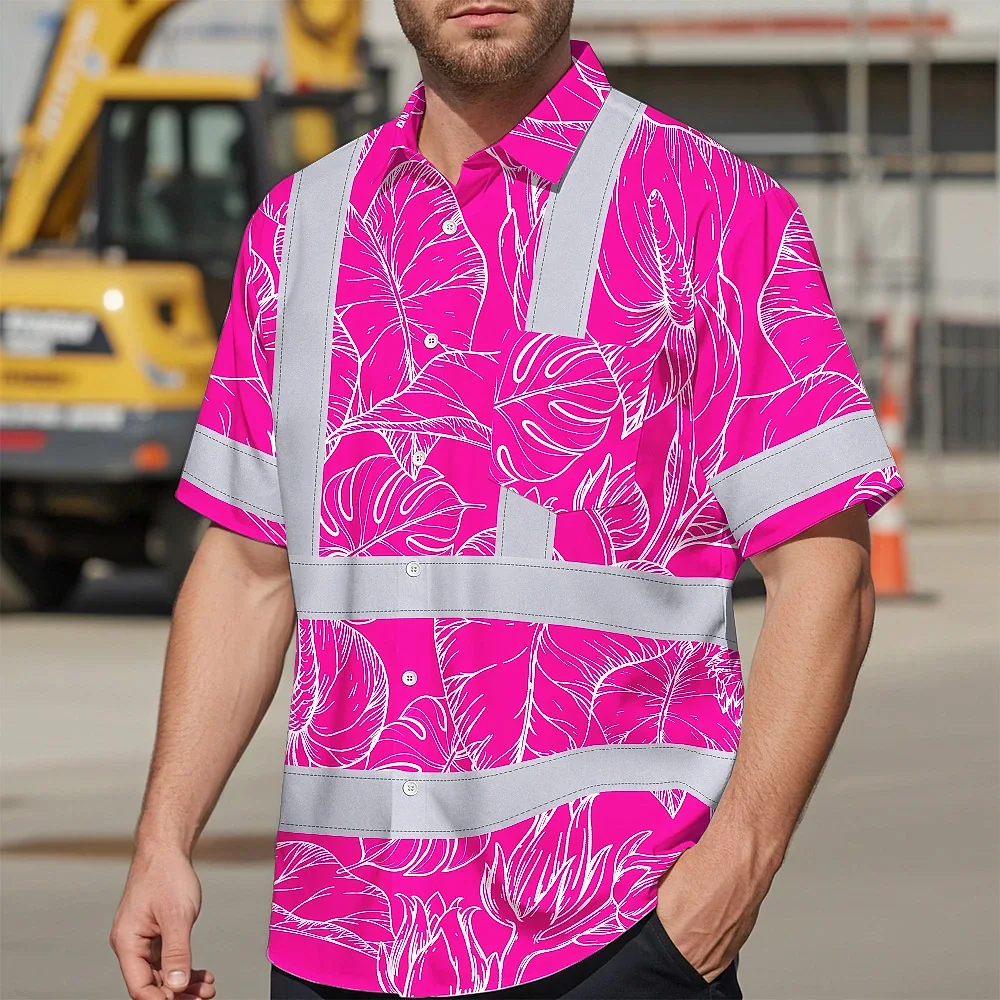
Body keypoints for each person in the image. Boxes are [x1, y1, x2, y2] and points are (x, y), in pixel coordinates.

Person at [110, 2, 904, 998]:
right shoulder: (296, 227)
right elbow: (243, 569)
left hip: (610, 935)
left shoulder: (713, 207)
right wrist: (163, 839)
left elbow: (825, 569)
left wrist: (731, 874)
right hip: (339, 934)